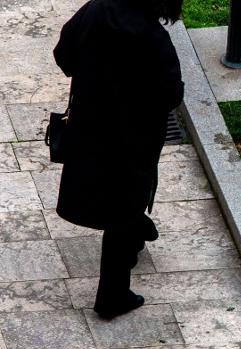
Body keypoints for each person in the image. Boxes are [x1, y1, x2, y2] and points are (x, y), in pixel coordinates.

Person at [53, 0, 184, 319]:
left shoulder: (97, 10)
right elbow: (171, 94)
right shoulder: (153, 38)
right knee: (123, 208)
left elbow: (63, 53)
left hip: (89, 126)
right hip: (134, 139)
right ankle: (112, 297)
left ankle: (136, 231)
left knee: (112, 198)